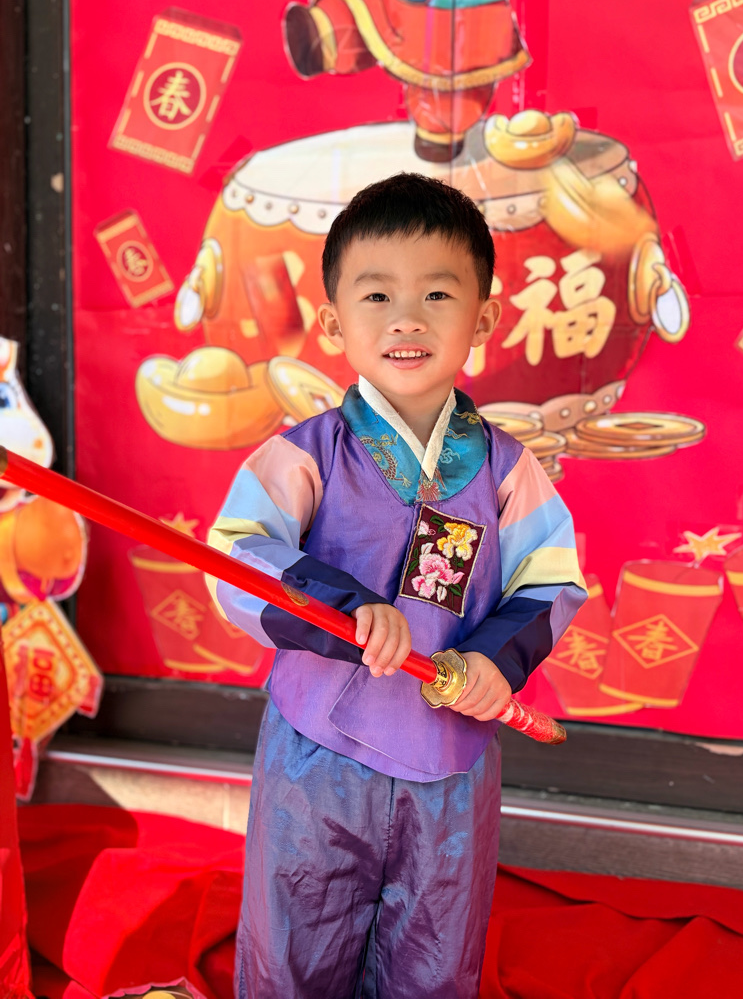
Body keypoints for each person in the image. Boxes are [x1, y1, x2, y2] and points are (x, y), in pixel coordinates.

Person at [207, 172, 587, 998]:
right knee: (294, 951)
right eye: (377, 295)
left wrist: (495, 660)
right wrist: (344, 609)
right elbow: (236, 557)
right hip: (317, 753)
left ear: (483, 318)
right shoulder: (305, 452)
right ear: (332, 321)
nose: (406, 319)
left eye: (437, 295)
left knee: (436, 960)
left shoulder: (506, 467)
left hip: (450, 758)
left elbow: (551, 581)